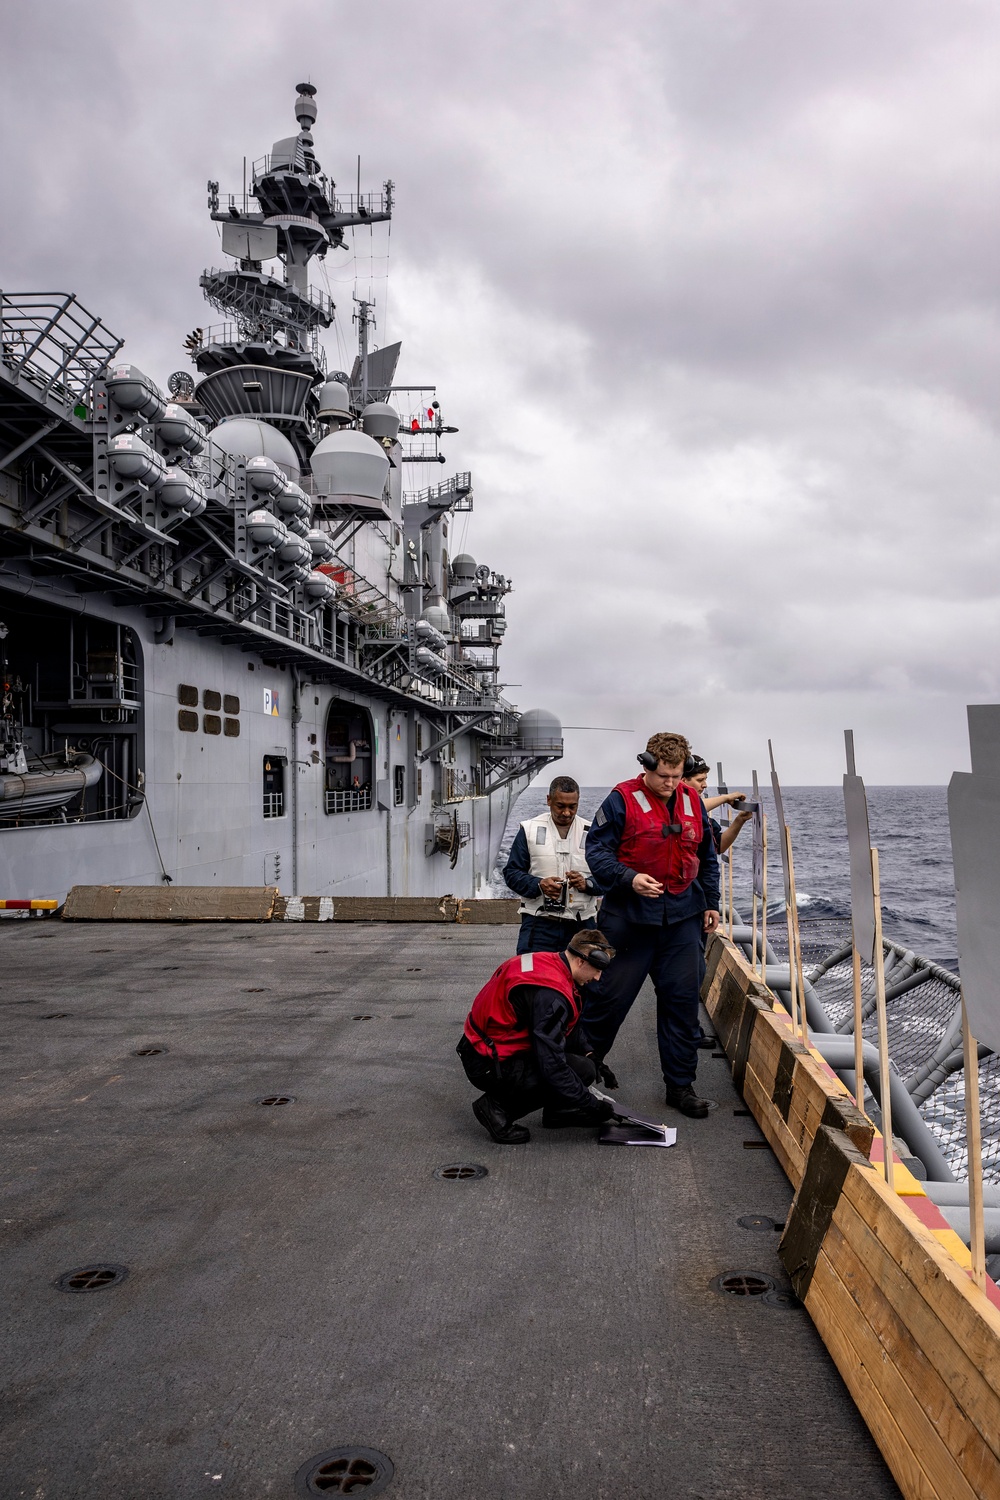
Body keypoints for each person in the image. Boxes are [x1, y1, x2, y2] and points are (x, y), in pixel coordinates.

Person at [582, 731, 721, 1118]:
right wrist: (629, 878)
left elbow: (707, 857)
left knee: (681, 1003)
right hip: (628, 921)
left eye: (677, 776)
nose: (670, 784)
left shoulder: (693, 800)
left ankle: (680, 1087)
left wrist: (712, 903)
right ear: (646, 766)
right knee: (604, 1001)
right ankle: (576, 1078)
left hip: (681, 921)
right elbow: (596, 851)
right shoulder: (621, 800)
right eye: (663, 776)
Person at [457, 929, 618, 1144]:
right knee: (572, 1072)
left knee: (586, 1066)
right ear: (580, 961)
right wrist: (590, 1104)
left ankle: (559, 1111)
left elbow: (565, 1028)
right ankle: (495, 1109)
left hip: (479, 1047)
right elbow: (552, 1066)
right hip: (487, 1064)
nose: (598, 977)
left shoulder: (548, 963)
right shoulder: (551, 995)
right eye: (597, 969)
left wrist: (592, 1054)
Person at [502, 775, 600, 954]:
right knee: (532, 979)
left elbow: (609, 876)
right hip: (539, 925)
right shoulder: (529, 830)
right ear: (548, 800)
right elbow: (511, 873)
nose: (567, 813)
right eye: (560, 806)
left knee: (585, 981)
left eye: (573, 807)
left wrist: (588, 884)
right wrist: (539, 884)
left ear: (578, 801)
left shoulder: (593, 833)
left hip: (582, 927)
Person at [684, 754, 752, 855]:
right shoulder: (674, 807)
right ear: (683, 780)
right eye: (699, 780)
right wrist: (725, 798)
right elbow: (692, 807)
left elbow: (719, 846)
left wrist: (740, 820)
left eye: (705, 779)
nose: (705, 785)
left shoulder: (702, 816)